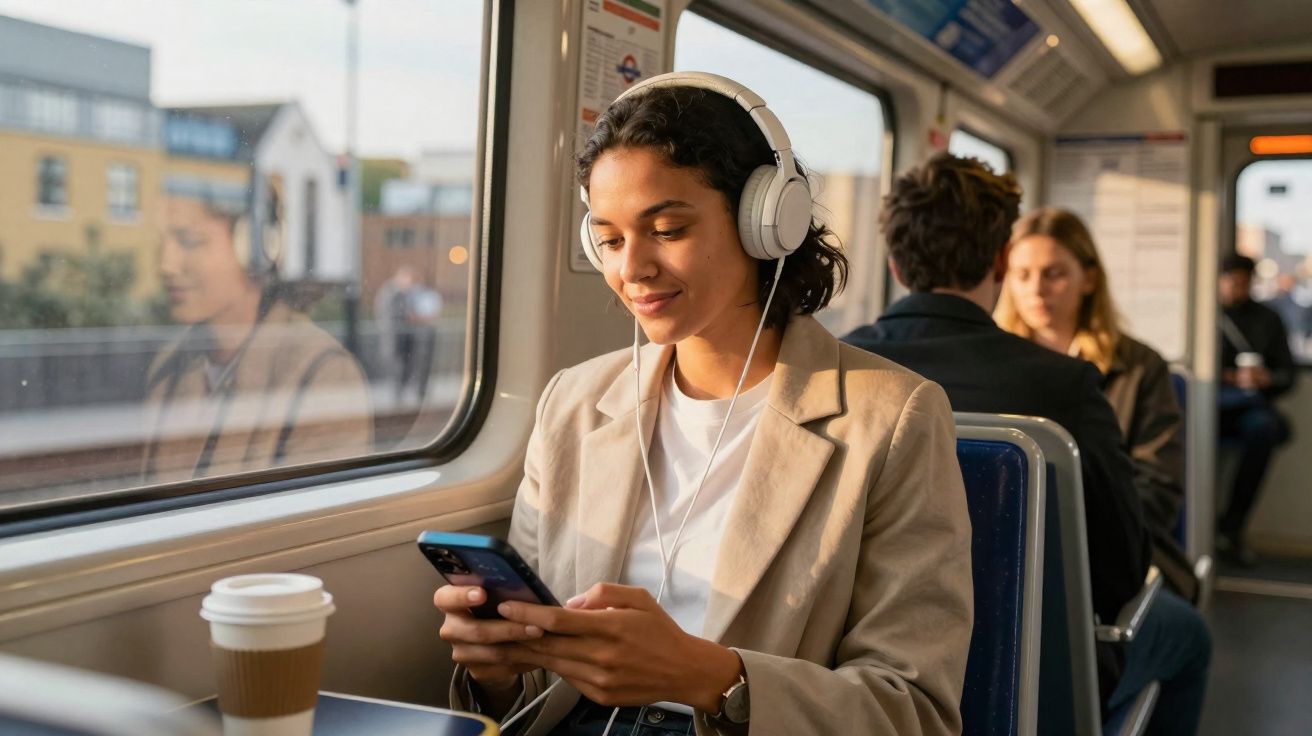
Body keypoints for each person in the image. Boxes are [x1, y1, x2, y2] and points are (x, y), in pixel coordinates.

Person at [433, 73, 973, 736]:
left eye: (665, 228)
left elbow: (914, 711)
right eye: (609, 239)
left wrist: (708, 678)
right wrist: (499, 672)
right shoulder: (573, 403)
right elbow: (539, 687)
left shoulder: (893, 418)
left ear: (765, 222)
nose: (631, 268)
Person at [843, 154, 1208, 735]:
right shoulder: (1061, 384)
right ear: (1000, 262)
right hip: (1029, 665)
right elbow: (1117, 571)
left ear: (893, 262)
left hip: (858, 670)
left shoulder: (838, 371)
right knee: (1191, 640)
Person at [995, 207, 1197, 602]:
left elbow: (1157, 490)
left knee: (1186, 641)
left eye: (1054, 274)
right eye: (1022, 275)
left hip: (1115, 555)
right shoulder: (993, 363)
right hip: (1009, 551)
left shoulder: (1140, 368)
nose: (1036, 290)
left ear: (1088, 279)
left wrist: (1073, 538)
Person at [143, 184, 372, 483]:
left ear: (256, 247)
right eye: (163, 243)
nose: (167, 265)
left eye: (189, 241)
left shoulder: (323, 373)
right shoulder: (169, 365)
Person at [1216, 253, 1295, 565]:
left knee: (1264, 428)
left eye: (1243, 282)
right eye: (1231, 280)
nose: (1237, 288)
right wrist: (1226, 377)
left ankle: (1231, 528)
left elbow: (1287, 375)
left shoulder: (1268, 319)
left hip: (1249, 409)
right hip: (1209, 405)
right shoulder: (1201, 317)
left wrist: (1266, 379)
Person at [374, 265, 419, 404]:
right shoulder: (390, 293)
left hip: (401, 338)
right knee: (396, 366)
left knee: (403, 365)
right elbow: (388, 315)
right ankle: (397, 395)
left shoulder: (401, 294)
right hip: (393, 338)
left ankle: (400, 394)